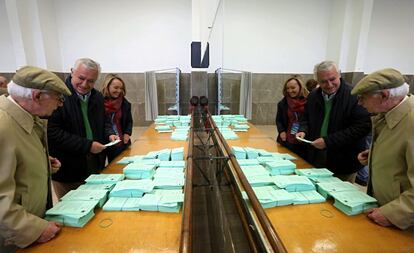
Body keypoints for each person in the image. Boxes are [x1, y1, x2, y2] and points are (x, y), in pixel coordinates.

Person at [0, 66, 71, 252]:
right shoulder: (2, 126)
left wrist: (42, 162)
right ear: (37, 96)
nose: (60, 104)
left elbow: (13, 162)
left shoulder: (28, 117)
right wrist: (35, 229)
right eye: (58, 98)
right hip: (14, 236)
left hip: (31, 221)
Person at [352, 68, 414, 232]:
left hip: (403, 221)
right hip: (384, 209)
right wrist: (374, 155)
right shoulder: (388, 114)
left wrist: (392, 213)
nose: (359, 103)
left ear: (385, 95)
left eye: (363, 97)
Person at [47, 58, 118, 199]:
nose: (85, 84)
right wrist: (88, 145)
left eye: (91, 81)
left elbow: (104, 121)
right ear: (72, 72)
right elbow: (52, 132)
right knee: (72, 209)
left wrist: (110, 134)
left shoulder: (97, 96)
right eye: (81, 78)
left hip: (94, 162)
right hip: (68, 167)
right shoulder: (57, 96)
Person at [296, 61, 371, 182]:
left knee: (341, 196)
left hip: (344, 160)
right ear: (317, 81)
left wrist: (328, 141)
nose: (329, 84)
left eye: (332, 79)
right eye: (323, 81)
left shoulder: (354, 95)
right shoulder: (313, 96)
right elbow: (306, 117)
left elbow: (361, 127)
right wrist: (303, 130)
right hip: (317, 155)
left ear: (339, 75)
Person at [101, 74, 133, 163]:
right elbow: (104, 123)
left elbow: (129, 121)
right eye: (116, 87)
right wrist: (110, 134)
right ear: (107, 86)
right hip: (108, 140)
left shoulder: (124, 102)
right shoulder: (99, 102)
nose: (119, 91)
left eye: (121, 88)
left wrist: (127, 133)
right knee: (113, 164)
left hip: (123, 140)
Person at [276, 75, 309, 157]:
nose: (290, 90)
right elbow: (279, 120)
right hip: (287, 139)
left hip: (304, 139)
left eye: (293, 87)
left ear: (300, 87)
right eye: (287, 88)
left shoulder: (309, 102)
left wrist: (303, 131)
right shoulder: (283, 103)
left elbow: (309, 120)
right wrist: (281, 131)